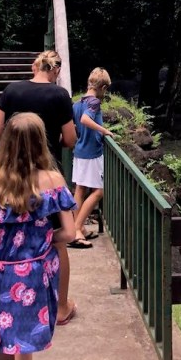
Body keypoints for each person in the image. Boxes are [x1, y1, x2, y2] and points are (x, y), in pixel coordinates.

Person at [0, 113, 76, 360]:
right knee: (24, 347)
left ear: (6, 143)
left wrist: (7, 246)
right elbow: (69, 233)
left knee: (2, 358)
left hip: (5, 276)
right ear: (41, 142)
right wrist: (43, 240)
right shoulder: (53, 180)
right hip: (37, 276)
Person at [0, 50, 77, 324]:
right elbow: (70, 139)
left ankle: (16, 299)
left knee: (16, 234)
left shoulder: (11, 90)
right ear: (56, 71)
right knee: (57, 239)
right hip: (48, 175)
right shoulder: (60, 95)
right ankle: (60, 307)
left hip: (12, 176)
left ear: (33, 66)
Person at [68, 68, 112, 249]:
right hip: (91, 153)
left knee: (80, 190)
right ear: (103, 87)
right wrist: (104, 130)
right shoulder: (94, 102)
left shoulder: (78, 103)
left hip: (79, 151)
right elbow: (85, 120)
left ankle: (78, 229)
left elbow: (75, 124)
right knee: (98, 192)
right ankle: (77, 228)